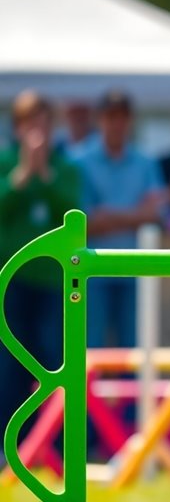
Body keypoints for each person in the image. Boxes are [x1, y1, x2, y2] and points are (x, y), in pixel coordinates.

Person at [0, 90, 80, 435]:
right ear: (17, 128)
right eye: (30, 123)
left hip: (52, 281)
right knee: (9, 364)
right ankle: (9, 440)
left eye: (44, 124)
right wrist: (21, 177)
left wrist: (44, 175)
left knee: (53, 360)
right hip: (11, 281)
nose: (38, 132)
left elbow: (73, 217)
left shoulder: (66, 168)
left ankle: (56, 443)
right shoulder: (5, 164)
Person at [75, 91, 167, 348]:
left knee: (134, 350)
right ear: (100, 119)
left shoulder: (145, 162)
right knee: (90, 349)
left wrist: (109, 215)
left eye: (122, 117)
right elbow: (83, 223)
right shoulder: (78, 162)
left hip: (134, 270)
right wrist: (136, 214)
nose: (117, 124)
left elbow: (157, 213)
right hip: (90, 272)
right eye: (111, 117)